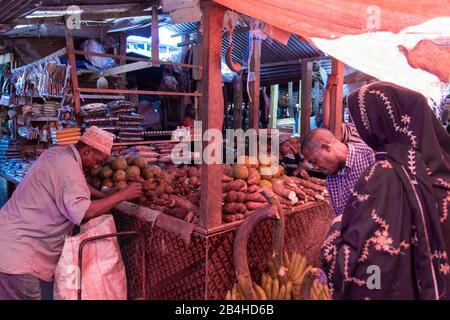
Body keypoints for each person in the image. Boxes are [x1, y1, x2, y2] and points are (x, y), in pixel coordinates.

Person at [321, 81, 450, 299]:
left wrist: (335, 231)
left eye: (360, 121)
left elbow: (365, 264)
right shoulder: (441, 166)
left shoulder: (383, 175)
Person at [0, 126, 143, 300]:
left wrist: (103, 195)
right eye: (98, 161)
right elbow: (84, 213)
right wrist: (122, 195)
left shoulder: (57, 155)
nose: (97, 166)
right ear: (87, 151)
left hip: (9, 243)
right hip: (19, 257)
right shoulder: (68, 168)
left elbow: (75, 184)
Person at [301, 128, 375, 216]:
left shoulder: (371, 156)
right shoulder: (331, 179)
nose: (315, 167)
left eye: (314, 161)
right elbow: (341, 217)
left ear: (326, 148)